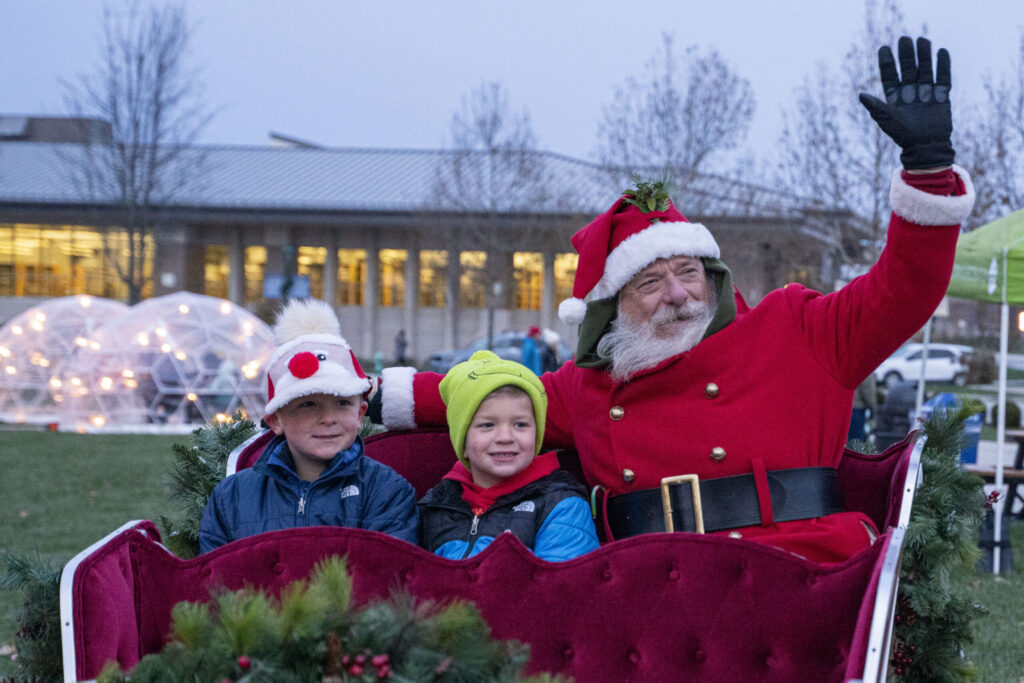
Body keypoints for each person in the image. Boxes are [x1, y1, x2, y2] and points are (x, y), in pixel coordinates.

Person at [374, 36, 975, 564]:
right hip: (649, 587)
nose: (678, 293)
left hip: (798, 569)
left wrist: (927, 171)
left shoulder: (796, 329)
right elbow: (475, 390)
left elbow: (904, 290)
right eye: (649, 283)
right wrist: (363, 391)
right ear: (614, 307)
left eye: (688, 271)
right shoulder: (588, 388)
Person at [199, 299, 418, 553]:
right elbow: (215, 575)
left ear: (360, 414)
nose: (328, 418)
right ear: (276, 420)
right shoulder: (231, 498)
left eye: (342, 403)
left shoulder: (386, 491)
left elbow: (389, 572)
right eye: (309, 404)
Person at [418, 350, 600, 561]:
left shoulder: (561, 506)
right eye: (487, 425)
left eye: (520, 425)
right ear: (462, 441)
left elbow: (559, 578)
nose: (505, 437)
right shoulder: (435, 507)